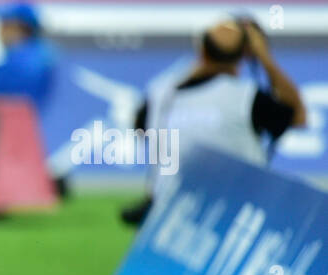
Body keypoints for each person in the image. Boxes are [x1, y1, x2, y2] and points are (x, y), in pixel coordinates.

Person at [119, 15, 307, 226]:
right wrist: (265, 59)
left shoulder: (160, 93)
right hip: (234, 215)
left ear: (202, 50)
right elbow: (299, 116)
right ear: (244, 55)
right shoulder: (247, 99)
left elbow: (141, 132)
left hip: (167, 217)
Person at [0, 1, 62, 195]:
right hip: (29, 131)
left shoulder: (12, 63)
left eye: (4, 24)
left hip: (1, 137)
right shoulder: (45, 56)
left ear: (18, 28)